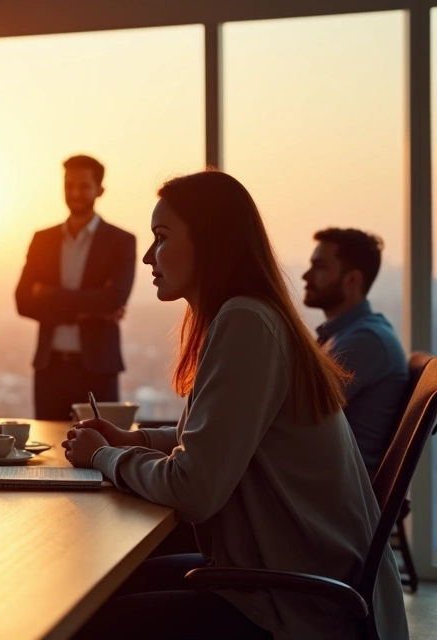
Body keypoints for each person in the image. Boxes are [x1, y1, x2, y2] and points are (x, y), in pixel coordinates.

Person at [62, 170, 406, 639]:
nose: (148, 255)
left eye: (161, 237)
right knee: (102, 590)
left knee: (88, 616)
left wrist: (104, 457)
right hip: (283, 575)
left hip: (294, 602)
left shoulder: (246, 322)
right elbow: (216, 438)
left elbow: (194, 489)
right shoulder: (249, 315)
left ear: (209, 243)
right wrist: (133, 439)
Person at [15, 155, 136, 420]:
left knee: (100, 442)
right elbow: (22, 301)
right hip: (50, 369)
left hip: (98, 370)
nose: (75, 193)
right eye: (69, 185)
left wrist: (49, 294)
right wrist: (88, 310)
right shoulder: (42, 240)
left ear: (100, 190)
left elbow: (114, 299)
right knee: (48, 442)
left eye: (83, 186)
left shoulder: (121, 241)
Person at [302, 228, 409, 476]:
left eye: (320, 267)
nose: (306, 276)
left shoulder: (366, 342)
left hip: (332, 491)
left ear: (352, 280)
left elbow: (296, 412)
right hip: (323, 481)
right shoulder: (351, 335)